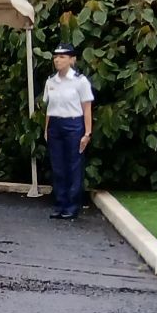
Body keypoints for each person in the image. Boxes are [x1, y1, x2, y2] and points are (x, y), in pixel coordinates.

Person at [43, 43, 95, 220]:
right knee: (58, 167)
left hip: (73, 124)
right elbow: (49, 107)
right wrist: (46, 129)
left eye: (62, 56)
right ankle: (59, 203)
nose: (58, 60)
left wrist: (87, 133)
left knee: (73, 165)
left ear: (72, 59)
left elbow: (87, 108)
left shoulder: (80, 81)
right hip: (55, 125)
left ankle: (72, 206)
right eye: (56, 56)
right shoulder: (51, 81)